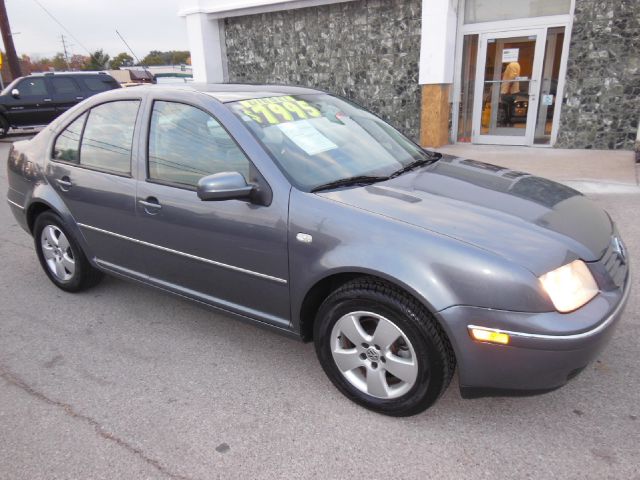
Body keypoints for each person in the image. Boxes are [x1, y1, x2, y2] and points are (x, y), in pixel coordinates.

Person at [500, 61, 521, 126]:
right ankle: (508, 121)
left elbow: (512, 77)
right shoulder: (516, 64)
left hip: (508, 91)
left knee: (506, 106)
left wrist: (508, 89)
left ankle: (507, 121)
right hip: (511, 90)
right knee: (510, 107)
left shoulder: (512, 64)